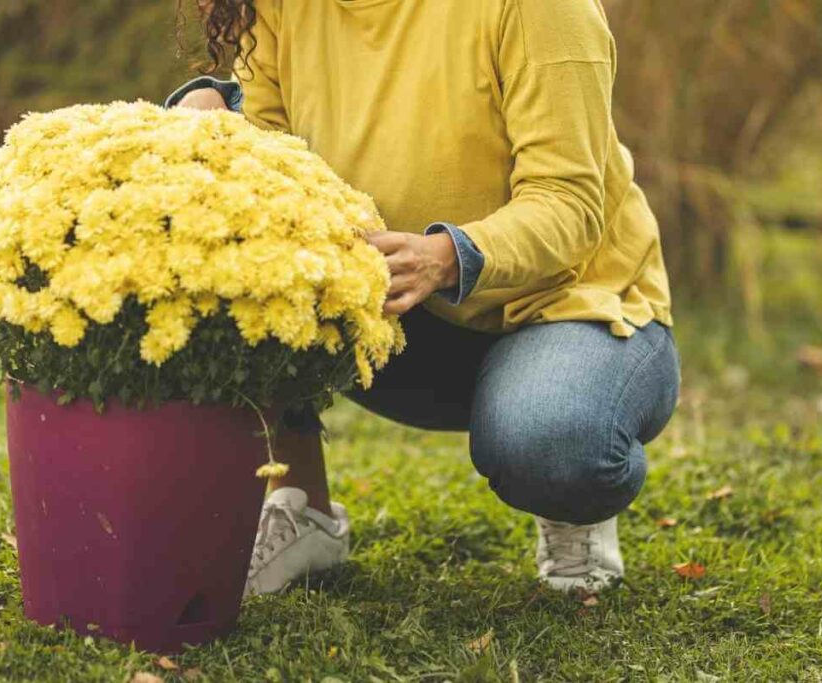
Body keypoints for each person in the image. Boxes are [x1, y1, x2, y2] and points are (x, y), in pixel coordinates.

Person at [169, 0, 680, 596]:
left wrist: (446, 256)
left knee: (552, 441)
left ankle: (573, 504)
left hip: (565, 308)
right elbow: (273, 151)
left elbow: (569, 202)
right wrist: (214, 113)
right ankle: (302, 504)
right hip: (404, 315)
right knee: (218, 233)